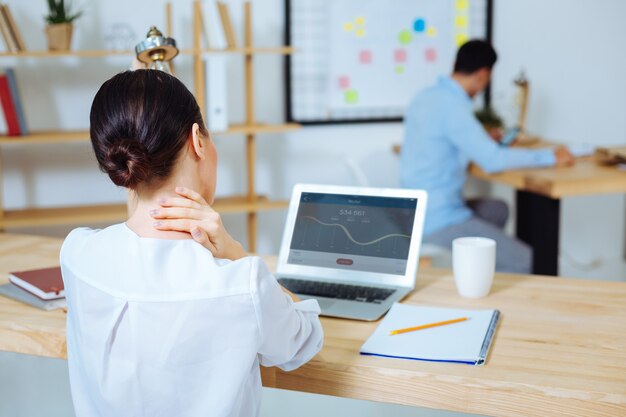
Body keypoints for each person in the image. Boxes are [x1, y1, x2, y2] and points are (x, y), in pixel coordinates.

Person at [60, 70, 323, 417]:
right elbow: (304, 342)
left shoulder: (78, 254)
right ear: (198, 139)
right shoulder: (241, 285)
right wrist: (235, 252)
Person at [400, 40, 574, 273]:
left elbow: (443, 139)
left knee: (497, 209)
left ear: (454, 64)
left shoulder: (425, 97)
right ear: (483, 75)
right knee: (533, 261)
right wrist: (550, 156)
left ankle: (481, 269)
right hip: (438, 221)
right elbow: (492, 161)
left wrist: (481, 140)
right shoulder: (454, 107)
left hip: (413, 213)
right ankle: (504, 270)